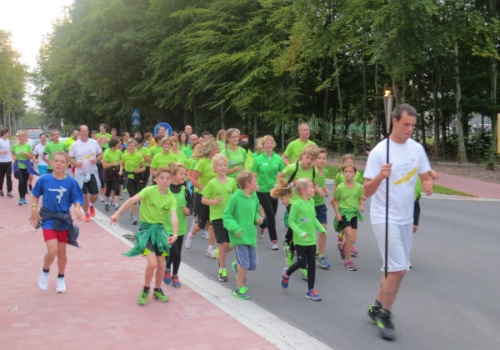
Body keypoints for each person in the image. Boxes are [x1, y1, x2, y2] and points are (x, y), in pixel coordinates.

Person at [364, 104, 433, 340]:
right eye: (406, 124)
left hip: (405, 217)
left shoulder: (416, 148)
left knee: (392, 268)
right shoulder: (380, 152)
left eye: (413, 125)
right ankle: (385, 314)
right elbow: (365, 191)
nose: (409, 129)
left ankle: (376, 306)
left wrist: (428, 183)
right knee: (399, 268)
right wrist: (380, 177)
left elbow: (424, 173)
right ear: (394, 121)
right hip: (384, 216)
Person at [110, 167, 179, 306]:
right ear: (156, 179)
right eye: (162, 178)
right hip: (146, 231)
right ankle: (146, 289)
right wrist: (117, 213)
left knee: (161, 265)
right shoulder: (149, 191)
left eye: (168, 178)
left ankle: (157, 290)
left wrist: (176, 233)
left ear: (171, 180)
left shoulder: (171, 198)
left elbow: (174, 216)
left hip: (160, 232)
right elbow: (132, 200)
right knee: (152, 264)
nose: (165, 181)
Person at [29, 152, 84, 293]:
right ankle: (45, 271)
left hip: (63, 219)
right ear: (51, 163)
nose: (59, 163)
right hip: (47, 218)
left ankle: (61, 277)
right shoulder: (44, 179)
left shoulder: (71, 182)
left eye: (62, 161)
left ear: (67, 165)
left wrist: (77, 209)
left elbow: (77, 198)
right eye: (56, 161)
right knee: (52, 251)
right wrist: (34, 208)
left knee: (61, 252)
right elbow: (35, 196)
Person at [274, 178, 326, 301]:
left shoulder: (312, 202)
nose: (314, 189)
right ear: (304, 190)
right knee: (302, 263)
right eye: (311, 187)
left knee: (312, 264)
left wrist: (321, 228)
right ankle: (287, 273)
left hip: (311, 239)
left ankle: (310, 290)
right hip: (300, 240)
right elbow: (291, 222)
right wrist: (300, 232)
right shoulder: (296, 205)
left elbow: (313, 218)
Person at [279, 144, 320, 279]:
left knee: (299, 229)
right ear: (303, 155)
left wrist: (318, 189)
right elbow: (280, 177)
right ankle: (299, 260)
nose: (308, 161)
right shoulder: (293, 167)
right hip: (293, 201)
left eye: (312, 159)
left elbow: (313, 184)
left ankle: (291, 249)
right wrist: (284, 196)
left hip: (306, 203)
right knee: (296, 227)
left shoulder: (313, 170)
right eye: (307, 157)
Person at [223, 170, 263, 300]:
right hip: (239, 238)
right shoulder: (235, 198)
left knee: (253, 265)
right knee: (245, 265)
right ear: (247, 184)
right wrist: (235, 228)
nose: (256, 183)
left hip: (251, 235)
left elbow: (256, 211)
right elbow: (227, 216)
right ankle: (239, 288)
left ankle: (237, 265)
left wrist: (257, 218)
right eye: (254, 181)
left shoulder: (254, 196)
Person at [202, 154, 238, 282]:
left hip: (231, 217)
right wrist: (213, 201)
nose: (223, 167)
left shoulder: (232, 182)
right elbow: (204, 199)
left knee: (233, 244)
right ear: (215, 168)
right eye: (220, 165)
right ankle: (222, 269)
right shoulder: (212, 183)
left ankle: (219, 253)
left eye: (225, 165)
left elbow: (236, 197)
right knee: (223, 243)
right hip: (217, 217)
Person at [184, 140, 218, 258]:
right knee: (202, 223)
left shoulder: (216, 162)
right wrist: (205, 190)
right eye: (216, 148)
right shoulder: (201, 162)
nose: (218, 150)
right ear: (210, 150)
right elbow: (193, 180)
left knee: (213, 221)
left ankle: (210, 248)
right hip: (201, 195)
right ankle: (191, 234)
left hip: (214, 196)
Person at [251, 135, 285, 250]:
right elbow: (254, 175)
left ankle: (262, 225)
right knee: (270, 214)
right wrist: (255, 186)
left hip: (274, 191)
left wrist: (281, 185)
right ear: (263, 146)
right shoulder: (258, 160)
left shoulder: (278, 159)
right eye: (267, 143)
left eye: (271, 143)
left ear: (274, 144)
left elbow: (283, 174)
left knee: (272, 216)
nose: (269, 145)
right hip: (262, 190)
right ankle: (274, 240)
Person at [163, 163, 193, 288]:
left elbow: (192, 206)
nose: (184, 176)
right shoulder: (165, 191)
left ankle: (175, 274)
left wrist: (189, 210)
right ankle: (167, 268)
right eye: (181, 174)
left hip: (180, 228)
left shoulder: (185, 191)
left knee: (178, 253)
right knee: (173, 251)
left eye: (185, 174)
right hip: (167, 227)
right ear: (173, 176)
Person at [332, 164, 364, 271]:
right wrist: (337, 213)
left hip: (354, 214)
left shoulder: (359, 187)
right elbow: (334, 201)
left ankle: (342, 247)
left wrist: (361, 204)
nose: (348, 174)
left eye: (350, 172)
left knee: (353, 240)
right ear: (343, 173)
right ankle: (347, 262)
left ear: (355, 173)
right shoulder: (340, 187)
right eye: (346, 172)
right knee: (350, 237)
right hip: (344, 214)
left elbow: (360, 197)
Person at [68, 125, 103, 222]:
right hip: (80, 174)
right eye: (82, 131)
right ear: (79, 132)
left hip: (92, 172)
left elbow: (100, 154)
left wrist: (96, 159)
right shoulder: (75, 145)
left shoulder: (94, 142)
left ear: (88, 132)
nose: (84, 133)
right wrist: (75, 164)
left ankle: (91, 205)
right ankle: (86, 213)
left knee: (95, 195)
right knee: (83, 196)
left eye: (86, 131)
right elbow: (70, 158)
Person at [313, 148, 331, 269]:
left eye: (324, 158)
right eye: (319, 158)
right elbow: (308, 184)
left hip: (320, 204)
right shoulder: (311, 171)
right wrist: (315, 189)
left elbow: (321, 183)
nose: (322, 161)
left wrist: (325, 188)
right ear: (314, 160)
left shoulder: (324, 171)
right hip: (309, 205)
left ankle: (321, 256)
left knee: (323, 230)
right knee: (307, 232)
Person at [121, 139, 146, 225]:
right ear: (127, 147)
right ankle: (135, 217)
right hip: (129, 177)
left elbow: (144, 167)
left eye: (133, 145)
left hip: (137, 177)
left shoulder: (139, 155)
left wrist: (139, 170)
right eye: (130, 145)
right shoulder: (124, 155)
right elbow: (122, 164)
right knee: (132, 197)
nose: (131, 147)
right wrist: (121, 170)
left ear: (135, 146)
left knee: (139, 196)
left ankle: (132, 210)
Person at [11, 131, 34, 205]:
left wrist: (25, 154)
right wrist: (14, 157)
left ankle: (23, 197)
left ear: (25, 137)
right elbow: (12, 153)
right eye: (19, 136)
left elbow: (31, 156)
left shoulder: (28, 146)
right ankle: (21, 198)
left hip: (26, 166)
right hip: (18, 166)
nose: (21, 138)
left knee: (25, 182)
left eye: (22, 136)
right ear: (17, 137)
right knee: (21, 182)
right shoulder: (15, 146)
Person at [102, 138, 123, 212]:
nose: (119, 145)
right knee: (108, 189)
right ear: (113, 145)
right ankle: (106, 202)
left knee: (117, 188)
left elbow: (121, 162)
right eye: (117, 144)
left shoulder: (119, 152)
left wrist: (120, 170)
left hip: (116, 172)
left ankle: (116, 205)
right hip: (108, 172)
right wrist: (112, 164)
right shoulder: (107, 153)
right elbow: (104, 165)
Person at [0, 129, 14, 198]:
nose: (8, 134)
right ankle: (0, 189)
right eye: (7, 133)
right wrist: (1, 152)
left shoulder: (8, 141)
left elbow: (8, 149)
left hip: (8, 161)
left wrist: (11, 150)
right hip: (1, 162)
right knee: (1, 177)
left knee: (9, 176)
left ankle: (9, 191)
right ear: (4, 134)